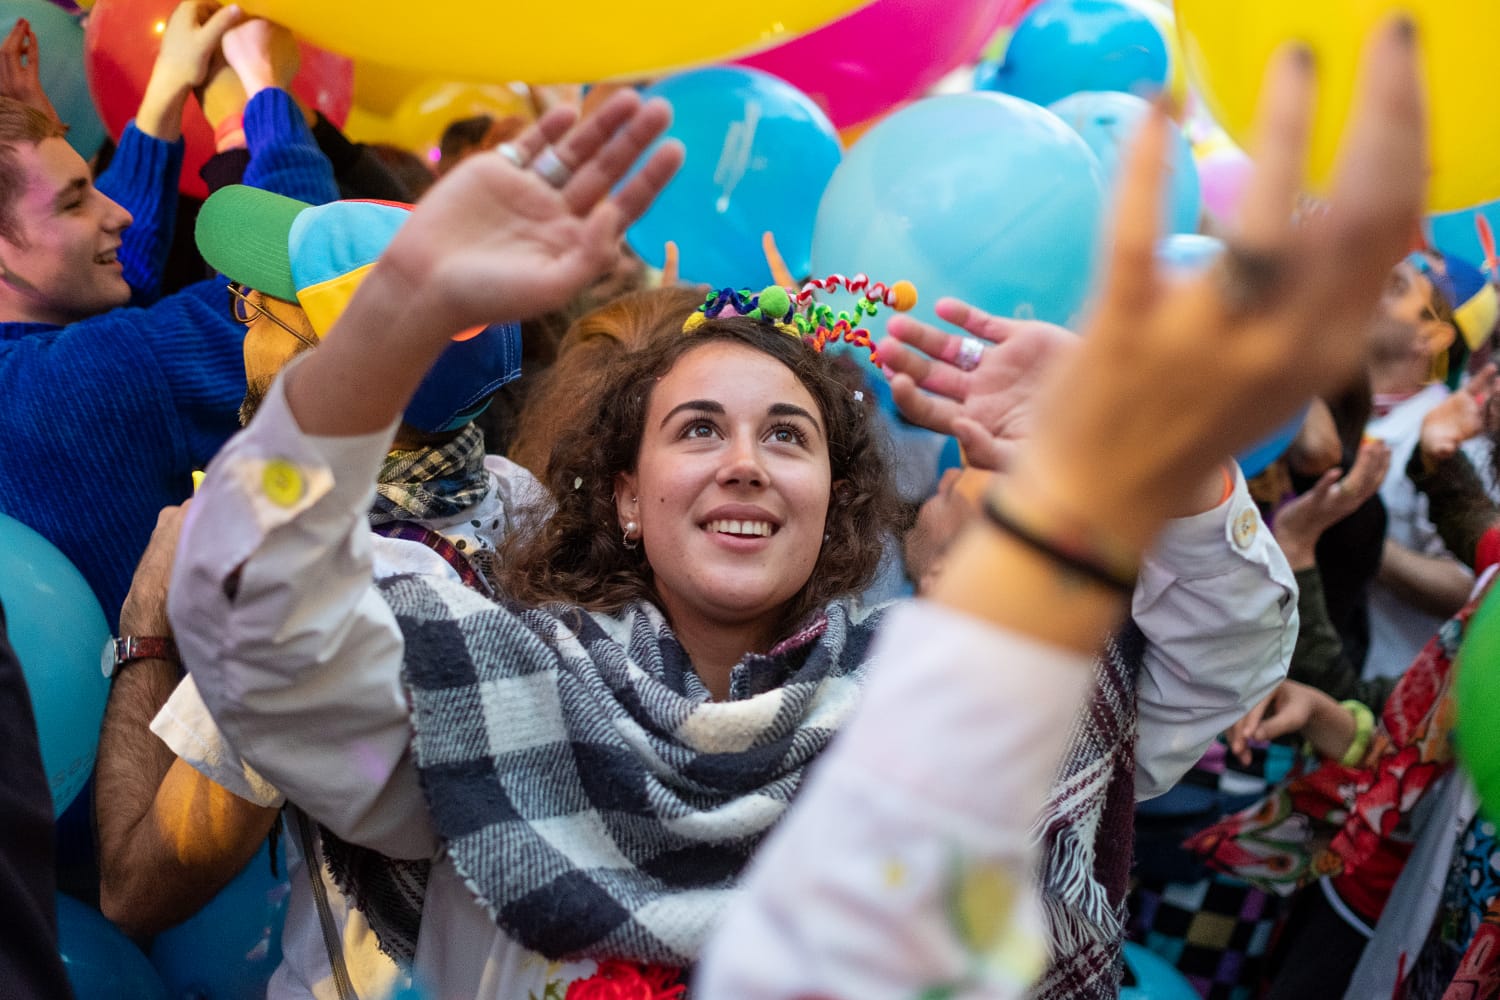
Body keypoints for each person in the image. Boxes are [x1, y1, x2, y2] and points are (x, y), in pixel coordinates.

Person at [96, 190, 541, 1000]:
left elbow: (134, 888)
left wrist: (146, 629)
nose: (244, 326)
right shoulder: (526, 504)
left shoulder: (303, 607)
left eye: (262, 311)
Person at [0, 0, 335, 629]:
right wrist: (264, 94)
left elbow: (119, 280)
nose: (117, 216)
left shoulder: (38, 366)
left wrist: (164, 89)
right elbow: (303, 286)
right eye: (75, 202)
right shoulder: (70, 385)